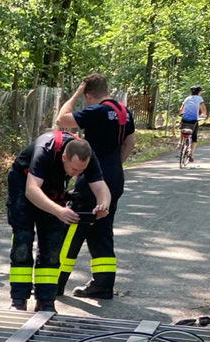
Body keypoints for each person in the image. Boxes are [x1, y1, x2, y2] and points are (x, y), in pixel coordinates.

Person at [5, 131, 110, 312]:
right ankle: (18, 300)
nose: (77, 174)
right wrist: (58, 210)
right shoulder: (45, 149)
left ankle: (46, 301)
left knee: (52, 245)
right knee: (23, 240)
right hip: (23, 184)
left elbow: (101, 187)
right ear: (64, 157)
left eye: (82, 171)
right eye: (74, 170)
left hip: (53, 187)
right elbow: (31, 190)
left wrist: (103, 206)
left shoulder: (86, 155)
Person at [54, 73, 136, 299]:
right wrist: (113, 166)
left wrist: (75, 94)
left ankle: (55, 283)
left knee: (72, 227)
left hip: (92, 177)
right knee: (102, 229)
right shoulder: (124, 111)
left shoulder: (96, 111)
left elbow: (61, 120)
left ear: (89, 95)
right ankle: (103, 284)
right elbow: (130, 142)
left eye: (85, 97)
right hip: (115, 175)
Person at [179, 85, 206, 161]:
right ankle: (191, 154)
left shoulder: (187, 98)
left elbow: (181, 109)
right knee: (194, 137)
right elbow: (203, 108)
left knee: (182, 129)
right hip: (194, 119)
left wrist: (182, 113)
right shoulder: (199, 98)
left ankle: (180, 143)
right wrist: (204, 115)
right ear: (199, 92)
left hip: (184, 118)